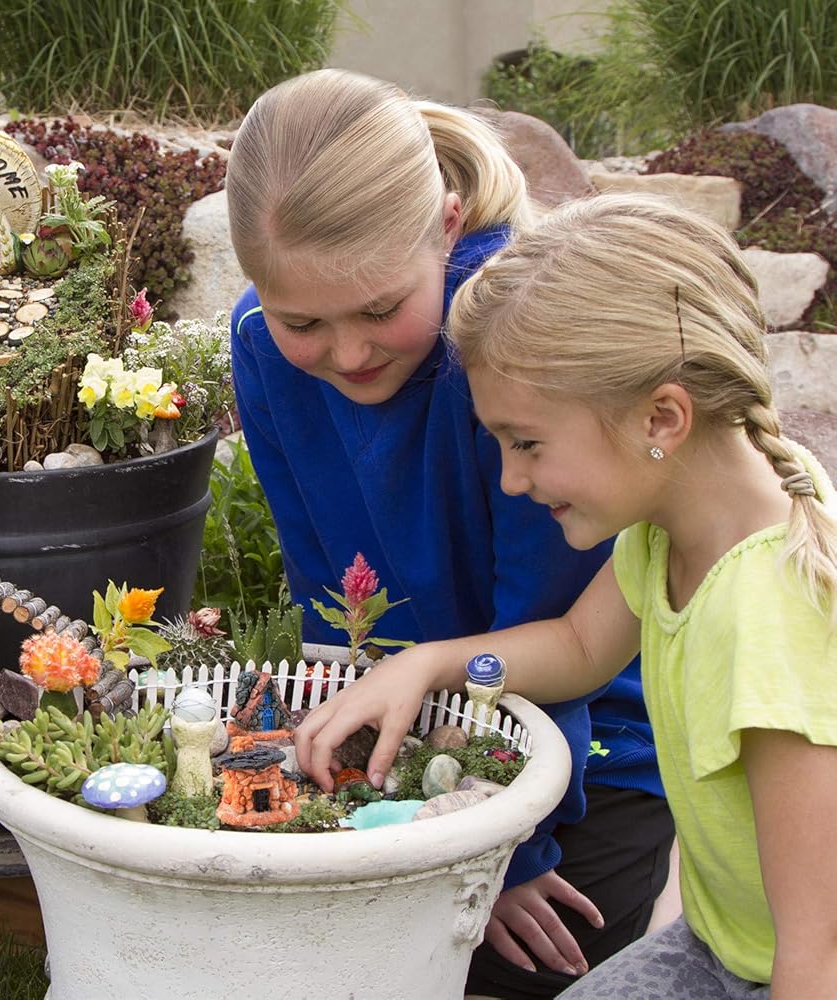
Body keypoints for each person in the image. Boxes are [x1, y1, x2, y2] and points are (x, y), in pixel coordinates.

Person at [295, 194, 837, 998]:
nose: (512, 480)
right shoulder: (679, 529)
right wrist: (428, 665)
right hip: (725, 941)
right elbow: (580, 648)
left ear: (662, 418)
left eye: (527, 444)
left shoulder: (768, 621)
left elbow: (819, 952)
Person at [227, 69, 673, 999]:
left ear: (446, 225)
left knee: (516, 970)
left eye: (380, 310)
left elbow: (558, 631)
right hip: (405, 708)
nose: (349, 353)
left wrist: (506, 849)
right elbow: (326, 585)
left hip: (585, 736)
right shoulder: (263, 346)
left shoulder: (513, 342)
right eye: (304, 319)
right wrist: (344, 744)